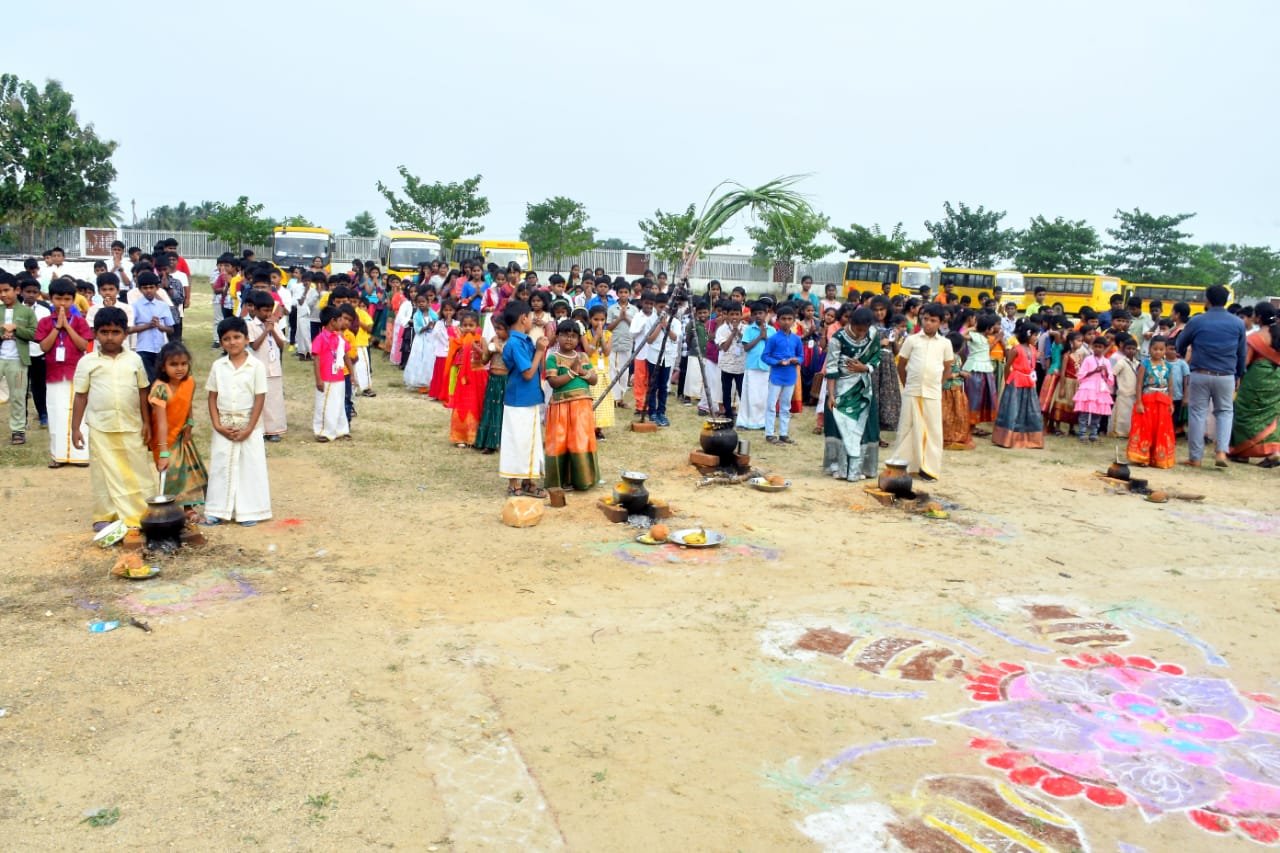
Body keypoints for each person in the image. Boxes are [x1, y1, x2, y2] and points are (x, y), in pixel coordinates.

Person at [70, 307, 153, 530]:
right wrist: (75, 428)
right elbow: (80, 395)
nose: (109, 337)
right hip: (100, 427)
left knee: (138, 469)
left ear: (125, 334)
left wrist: (147, 423)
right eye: (104, 332)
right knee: (102, 471)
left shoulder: (134, 360)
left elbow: (143, 391)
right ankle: (105, 515)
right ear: (95, 333)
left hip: (131, 424)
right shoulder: (87, 362)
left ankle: (143, 511)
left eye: (115, 332)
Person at [203, 317, 271, 526]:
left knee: (250, 466)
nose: (232, 342)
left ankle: (249, 511)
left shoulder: (256, 366)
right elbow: (212, 396)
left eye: (237, 337)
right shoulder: (218, 366)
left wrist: (249, 428)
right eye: (226, 339)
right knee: (221, 466)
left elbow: (260, 398)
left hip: (248, 424)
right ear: (222, 342)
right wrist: (217, 424)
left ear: (247, 339)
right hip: (224, 424)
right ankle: (218, 509)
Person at [1176, 284, 1247, 467]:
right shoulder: (1237, 323)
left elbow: (1180, 343)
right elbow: (1242, 353)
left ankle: (1195, 458)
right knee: (1224, 412)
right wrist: (1239, 374)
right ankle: (1221, 453)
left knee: (1197, 413)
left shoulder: (1198, 321)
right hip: (1226, 375)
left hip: (1200, 372)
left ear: (1207, 299)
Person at [887, 304, 954, 481]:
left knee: (932, 431)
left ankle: (929, 469)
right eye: (925, 319)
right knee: (907, 428)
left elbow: (947, 368)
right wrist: (907, 384)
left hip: (932, 393)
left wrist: (938, 385)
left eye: (933, 320)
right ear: (920, 319)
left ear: (940, 322)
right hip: (912, 390)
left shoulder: (945, 343)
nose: (929, 323)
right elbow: (901, 365)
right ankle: (903, 466)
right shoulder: (912, 340)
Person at [35, 278, 92, 467]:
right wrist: (57, 327)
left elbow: (83, 345)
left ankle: (80, 455)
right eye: (58, 299)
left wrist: (67, 327)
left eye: (67, 299)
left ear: (73, 300)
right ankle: (58, 456)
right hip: (54, 373)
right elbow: (44, 346)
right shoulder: (45, 322)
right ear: (51, 299)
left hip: (77, 373)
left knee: (79, 414)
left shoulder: (80, 321)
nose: (62, 303)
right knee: (56, 413)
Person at [147, 341, 209, 508]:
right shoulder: (160, 389)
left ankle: (188, 508)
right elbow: (161, 423)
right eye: (173, 364)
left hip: (182, 434)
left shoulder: (189, 382)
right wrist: (164, 453)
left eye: (183, 364)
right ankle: (171, 509)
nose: (179, 368)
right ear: (162, 366)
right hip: (164, 439)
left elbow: (187, 403)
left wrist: (189, 423)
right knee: (171, 473)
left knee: (188, 473)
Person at [500, 301, 550, 498]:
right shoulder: (514, 343)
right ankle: (514, 484)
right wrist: (539, 351)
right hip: (518, 399)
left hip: (529, 397)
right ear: (523, 318)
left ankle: (529, 481)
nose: (530, 320)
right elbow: (528, 373)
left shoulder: (524, 340)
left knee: (531, 441)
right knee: (517, 440)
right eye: (529, 317)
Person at [823, 305, 880, 481]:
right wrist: (831, 395)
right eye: (858, 329)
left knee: (863, 427)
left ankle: (861, 467)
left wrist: (865, 368)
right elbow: (832, 368)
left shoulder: (873, 335)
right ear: (850, 322)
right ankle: (839, 467)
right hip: (842, 388)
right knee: (842, 426)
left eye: (864, 330)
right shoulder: (837, 338)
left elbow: (876, 357)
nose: (861, 333)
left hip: (862, 388)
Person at [544, 319, 600, 491]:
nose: (569, 340)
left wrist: (583, 372)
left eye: (573, 336)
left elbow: (594, 379)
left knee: (581, 440)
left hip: (582, 406)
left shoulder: (582, 356)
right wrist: (572, 372)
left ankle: (583, 480)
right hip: (561, 406)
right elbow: (553, 382)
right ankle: (561, 481)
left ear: (578, 339)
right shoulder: (553, 357)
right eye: (565, 336)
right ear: (557, 336)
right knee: (560, 441)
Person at [1227, 303, 1280, 467]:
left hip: (1255, 380)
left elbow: (1244, 363)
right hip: (1276, 380)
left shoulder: (1254, 338)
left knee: (1244, 413)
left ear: (1258, 317)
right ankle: (1275, 451)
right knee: (1271, 415)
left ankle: (1241, 453)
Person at [992, 321, 1046, 449]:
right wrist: (1007, 381)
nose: (1036, 338)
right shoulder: (1016, 349)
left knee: (1030, 408)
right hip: (1016, 382)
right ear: (1028, 335)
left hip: (1029, 381)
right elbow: (1008, 366)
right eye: (1034, 335)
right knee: (1013, 409)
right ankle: (1007, 438)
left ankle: (1029, 438)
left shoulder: (1033, 349)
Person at [1126, 336, 1177, 469]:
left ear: (1165, 350)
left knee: (1161, 430)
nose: (1158, 352)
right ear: (1149, 349)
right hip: (1148, 400)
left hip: (1163, 401)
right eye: (1155, 349)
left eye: (1161, 349)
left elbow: (1171, 386)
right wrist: (1139, 402)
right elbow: (1139, 384)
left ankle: (1158, 458)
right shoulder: (1145, 364)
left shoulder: (1169, 366)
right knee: (1146, 428)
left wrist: (1171, 403)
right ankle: (1142, 457)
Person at [0, 272, 37, 445]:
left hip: (18, 360)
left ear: (16, 290)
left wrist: (16, 329)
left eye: (6, 290)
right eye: (0, 291)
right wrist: (2, 334)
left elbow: (35, 334)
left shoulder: (26, 312)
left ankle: (18, 430)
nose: (3, 294)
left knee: (18, 396)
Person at [245, 291, 288, 442]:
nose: (268, 313)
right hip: (259, 368)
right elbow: (254, 346)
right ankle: (260, 430)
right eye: (265, 310)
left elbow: (281, 344)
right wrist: (265, 331)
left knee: (274, 401)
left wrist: (273, 330)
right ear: (255, 310)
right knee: (260, 400)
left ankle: (273, 430)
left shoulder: (274, 324)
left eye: (270, 310)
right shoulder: (250, 325)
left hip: (274, 368)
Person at [763, 303, 803, 445]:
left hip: (790, 376)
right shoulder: (773, 338)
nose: (786, 322)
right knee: (771, 405)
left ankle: (784, 434)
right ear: (778, 320)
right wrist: (778, 362)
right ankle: (769, 434)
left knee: (786, 406)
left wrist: (795, 360)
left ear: (794, 320)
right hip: (776, 376)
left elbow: (801, 356)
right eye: (783, 319)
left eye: (789, 319)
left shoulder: (797, 339)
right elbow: (765, 357)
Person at [447, 310, 488, 447]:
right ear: (461, 326)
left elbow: (485, 358)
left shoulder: (481, 340)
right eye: (465, 325)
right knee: (464, 404)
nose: (468, 328)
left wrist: (475, 347)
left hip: (478, 376)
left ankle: (476, 436)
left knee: (477, 403)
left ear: (477, 325)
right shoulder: (457, 341)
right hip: (463, 378)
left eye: (471, 325)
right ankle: (461, 436)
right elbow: (452, 361)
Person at [311, 306, 352, 442]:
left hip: (339, 377)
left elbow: (346, 356)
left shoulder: (339, 338)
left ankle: (341, 430)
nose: (342, 323)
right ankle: (323, 431)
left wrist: (351, 374)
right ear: (332, 321)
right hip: (326, 378)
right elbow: (316, 360)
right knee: (324, 405)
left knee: (338, 404)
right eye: (340, 320)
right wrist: (318, 379)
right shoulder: (320, 338)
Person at [641, 293, 681, 427]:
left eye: (665, 307)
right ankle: (652, 411)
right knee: (653, 385)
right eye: (660, 307)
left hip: (668, 357)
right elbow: (650, 340)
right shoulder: (649, 321)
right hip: (653, 357)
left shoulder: (675, 322)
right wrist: (659, 325)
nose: (663, 310)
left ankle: (661, 411)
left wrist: (666, 325)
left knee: (664, 386)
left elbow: (675, 338)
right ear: (655, 307)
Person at [128, 272, 174, 382]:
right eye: (145, 288)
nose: (148, 290)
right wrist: (148, 325)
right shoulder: (135, 307)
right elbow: (129, 329)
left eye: (151, 287)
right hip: (143, 348)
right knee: (148, 379)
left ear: (157, 288)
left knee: (161, 378)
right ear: (140, 289)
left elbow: (171, 329)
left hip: (160, 348)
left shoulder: (163, 306)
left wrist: (159, 326)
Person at [736, 301, 774, 430]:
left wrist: (766, 337)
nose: (758, 316)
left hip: (765, 367)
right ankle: (745, 422)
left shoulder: (772, 330)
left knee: (763, 396)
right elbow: (746, 347)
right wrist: (760, 337)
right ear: (751, 315)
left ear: (766, 314)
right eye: (755, 314)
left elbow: (774, 349)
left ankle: (761, 422)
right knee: (749, 395)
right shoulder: (749, 329)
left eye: (761, 313)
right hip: (751, 367)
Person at [475, 317, 509, 454]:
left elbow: (509, 358)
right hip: (493, 378)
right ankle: (486, 441)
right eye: (496, 329)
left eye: (500, 329)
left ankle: (498, 443)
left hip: (505, 380)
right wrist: (486, 350)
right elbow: (484, 361)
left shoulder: (512, 342)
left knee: (501, 410)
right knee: (490, 409)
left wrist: (499, 348)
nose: (497, 332)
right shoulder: (494, 340)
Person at [963, 313, 998, 436]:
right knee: (973, 398)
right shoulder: (974, 336)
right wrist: (971, 328)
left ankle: (973, 425)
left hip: (985, 370)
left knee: (980, 399)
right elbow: (961, 335)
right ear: (988, 328)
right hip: (975, 370)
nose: (994, 329)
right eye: (992, 327)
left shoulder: (984, 338)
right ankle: (969, 425)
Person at [1073, 336, 1114, 442]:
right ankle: (1082, 432)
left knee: (1097, 412)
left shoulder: (1107, 361)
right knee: (1085, 411)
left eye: (1100, 347)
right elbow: (1081, 375)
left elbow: (1110, 379)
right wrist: (1094, 371)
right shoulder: (1088, 359)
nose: (1098, 349)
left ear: (1104, 348)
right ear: (1092, 347)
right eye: (1095, 346)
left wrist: (1105, 372)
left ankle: (1093, 432)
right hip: (1088, 386)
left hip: (1100, 387)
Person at [583, 305, 614, 438]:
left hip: (604, 371)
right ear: (590, 319)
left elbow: (606, 352)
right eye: (596, 319)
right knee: (592, 399)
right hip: (591, 371)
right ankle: (590, 426)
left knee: (603, 401)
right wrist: (596, 337)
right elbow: (588, 352)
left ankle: (599, 428)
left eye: (602, 320)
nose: (599, 323)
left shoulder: (608, 334)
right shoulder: (585, 334)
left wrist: (601, 337)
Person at [942, 332, 975, 450]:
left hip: (952, 389)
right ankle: (951, 435)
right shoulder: (953, 357)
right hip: (951, 389)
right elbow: (948, 374)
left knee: (949, 414)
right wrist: (960, 374)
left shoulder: (949, 356)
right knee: (953, 414)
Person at [715, 300, 747, 421]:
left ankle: (743, 415)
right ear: (727, 315)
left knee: (741, 391)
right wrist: (732, 333)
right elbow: (724, 347)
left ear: (741, 315)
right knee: (726, 391)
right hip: (726, 366)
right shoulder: (722, 329)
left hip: (741, 366)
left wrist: (738, 331)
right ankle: (728, 414)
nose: (734, 317)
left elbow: (747, 345)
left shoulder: (746, 328)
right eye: (732, 314)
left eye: (737, 314)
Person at [402, 293, 437, 393]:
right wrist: (426, 327)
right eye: (419, 302)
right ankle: (420, 381)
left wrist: (433, 325)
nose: (421, 304)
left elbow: (436, 323)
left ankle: (429, 381)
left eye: (423, 302)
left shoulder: (432, 313)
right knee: (420, 358)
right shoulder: (416, 315)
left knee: (429, 358)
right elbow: (417, 329)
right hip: (420, 340)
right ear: (416, 304)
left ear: (428, 302)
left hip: (431, 339)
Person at [1108, 335, 1140, 438]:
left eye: (1133, 349)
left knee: (1131, 414)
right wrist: (1115, 387)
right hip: (1123, 391)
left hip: (1134, 392)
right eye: (1128, 348)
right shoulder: (1121, 362)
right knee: (1121, 414)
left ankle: (1129, 432)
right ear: (1124, 349)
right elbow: (1113, 374)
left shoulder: (1137, 363)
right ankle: (1118, 432)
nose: (1131, 351)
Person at [427, 301, 458, 401]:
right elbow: (435, 335)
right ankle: (437, 393)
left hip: (452, 352)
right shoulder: (439, 323)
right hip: (441, 352)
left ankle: (448, 394)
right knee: (439, 373)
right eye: (446, 310)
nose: (448, 312)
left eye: (450, 310)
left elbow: (457, 336)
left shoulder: (457, 323)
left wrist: (450, 327)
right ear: (442, 311)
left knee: (450, 374)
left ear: (454, 311)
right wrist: (446, 327)